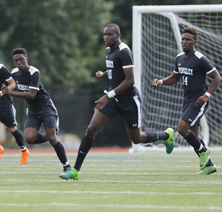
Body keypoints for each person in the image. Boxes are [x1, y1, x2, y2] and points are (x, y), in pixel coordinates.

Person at [59, 23, 174, 180]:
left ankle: (166, 135)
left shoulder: (124, 51)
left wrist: (108, 95)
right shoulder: (109, 50)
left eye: (110, 34)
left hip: (129, 100)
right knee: (91, 130)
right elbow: (116, 68)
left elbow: (130, 79)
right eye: (105, 34)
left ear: (118, 35)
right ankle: (75, 170)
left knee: (137, 139)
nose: (106, 37)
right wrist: (104, 74)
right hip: (113, 99)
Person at [152, 27, 221, 175]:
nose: (184, 42)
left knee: (182, 128)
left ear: (195, 42)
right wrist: (161, 82)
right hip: (187, 99)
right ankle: (209, 166)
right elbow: (175, 77)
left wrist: (206, 95)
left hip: (198, 101)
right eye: (183, 39)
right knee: (195, 136)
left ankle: (203, 152)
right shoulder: (179, 58)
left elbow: (217, 77)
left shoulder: (200, 59)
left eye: (188, 39)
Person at [1, 48, 71, 172]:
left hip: (45, 107)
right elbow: (10, 85)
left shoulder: (34, 72)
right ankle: (51, 134)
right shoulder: (14, 73)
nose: (18, 62)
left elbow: (31, 94)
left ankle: (67, 167)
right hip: (33, 110)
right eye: (16, 60)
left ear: (26, 59)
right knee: (29, 138)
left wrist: (10, 92)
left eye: (21, 59)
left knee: (53, 139)